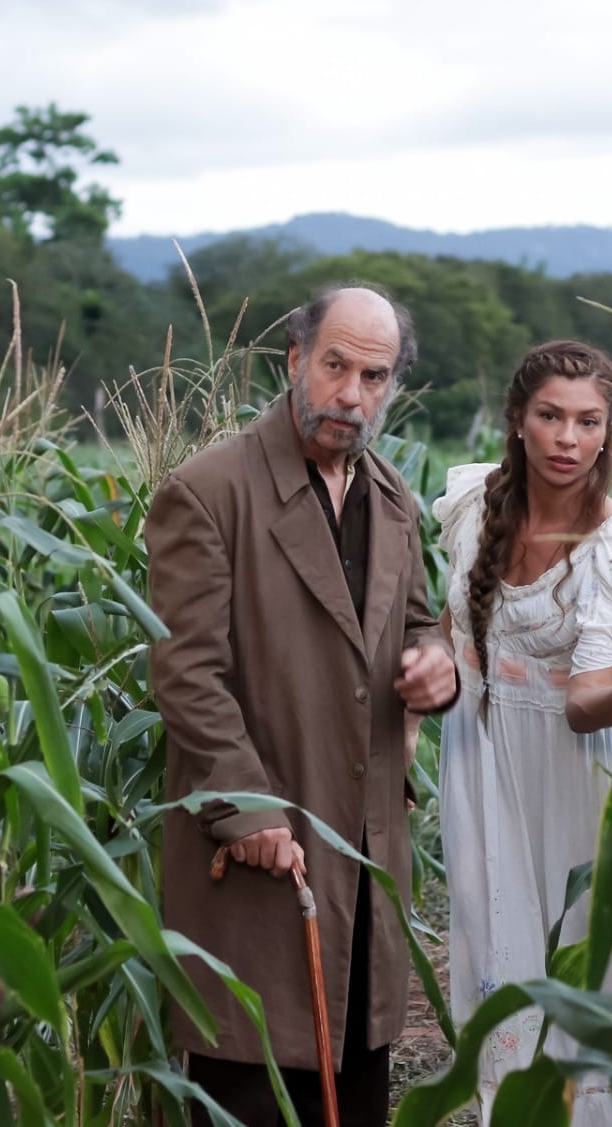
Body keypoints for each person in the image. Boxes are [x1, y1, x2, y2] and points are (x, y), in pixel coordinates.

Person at [146, 285, 460, 1127]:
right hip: (263, 852)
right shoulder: (209, 491)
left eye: (373, 376)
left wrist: (436, 664)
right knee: (255, 1080)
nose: (350, 394)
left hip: (364, 854)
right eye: (335, 366)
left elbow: (416, 621)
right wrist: (244, 806)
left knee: (354, 1091)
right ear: (295, 360)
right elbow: (186, 670)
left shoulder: (390, 497)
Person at [431, 340, 612, 1125]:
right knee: (489, 933)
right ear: (518, 419)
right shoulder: (474, 504)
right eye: (550, 416)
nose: (568, 438)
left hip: (573, 771)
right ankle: (510, 1108)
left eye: (588, 421)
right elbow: (451, 630)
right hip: (479, 752)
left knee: (585, 949)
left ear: (608, 433)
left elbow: (582, 705)